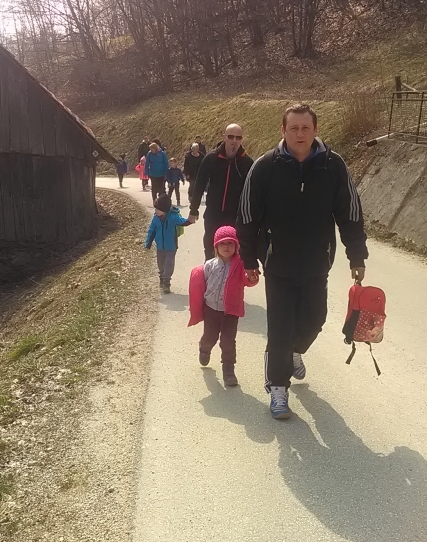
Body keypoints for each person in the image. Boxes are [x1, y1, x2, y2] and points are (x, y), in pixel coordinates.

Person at [236, 104, 368, 419]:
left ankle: (294, 351)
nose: (299, 134)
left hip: (316, 263)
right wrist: (249, 259)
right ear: (283, 131)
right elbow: (247, 215)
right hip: (278, 264)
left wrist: (356, 254)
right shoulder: (265, 166)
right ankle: (278, 389)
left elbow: (350, 213)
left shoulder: (333, 166)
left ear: (315, 130)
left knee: (316, 319)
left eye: (305, 128)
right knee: (280, 327)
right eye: (293, 128)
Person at [188, 226, 258, 386]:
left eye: (230, 243)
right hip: (211, 310)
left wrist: (252, 278)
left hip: (230, 312)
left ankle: (228, 370)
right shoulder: (210, 265)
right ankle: (204, 348)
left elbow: (247, 280)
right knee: (210, 337)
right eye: (222, 243)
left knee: (228, 342)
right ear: (216, 246)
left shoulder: (241, 265)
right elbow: (201, 285)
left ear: (236, 246)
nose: (226, 246)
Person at [188, 124, 253, 260]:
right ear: (224, 137)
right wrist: (194, 209)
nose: (234, 140)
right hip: (214, 213)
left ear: (241, 139)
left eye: (238, 137)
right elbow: (199, 184)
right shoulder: (211, 158)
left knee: (233, 251)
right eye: (231, 136)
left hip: (235, 216)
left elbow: (252, 193)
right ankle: (210, 271)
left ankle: (231, 274)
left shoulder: (247, 162)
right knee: (210, 248)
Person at [145, 194, 193, 294]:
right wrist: (148, 244)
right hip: (160, 247)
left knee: (169, 264)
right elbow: (151, 231)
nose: (156, 211)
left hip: (171, 247)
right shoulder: (155, 219)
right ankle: (161, 277)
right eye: (155, 209)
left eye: (158, 209)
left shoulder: (173, 217)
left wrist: (190, 220)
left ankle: (166, 282)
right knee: (161, 264)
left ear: (165, 210)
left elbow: (182, 222)